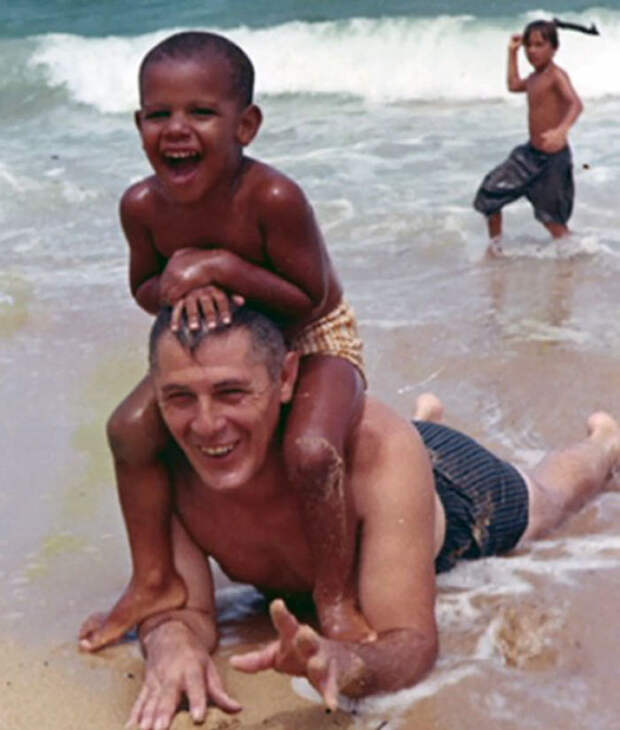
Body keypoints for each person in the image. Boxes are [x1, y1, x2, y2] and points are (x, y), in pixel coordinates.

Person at [124, 305, 619, 730]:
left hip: (453, 492)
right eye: (180, 397)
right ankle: (424, 418)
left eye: (232, 393)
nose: (206, 425)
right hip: (385, 468)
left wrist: (348, 662)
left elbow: (412, 642)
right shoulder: (163, 464)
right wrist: (170, 643)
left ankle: (602, 446)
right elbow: (181, 605)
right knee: (397, 447)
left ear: (287, 378)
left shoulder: (374, 452)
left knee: (547, 501)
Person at [79, 31, 369, 651]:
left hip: (314, 337)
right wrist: (181, 281)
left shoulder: (272, 196)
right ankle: (154, 577)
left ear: (247, 124)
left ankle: (335, 597)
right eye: (160, 114)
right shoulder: (141, 206)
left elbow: (309, 297)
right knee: (128, 429)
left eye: (202, 113)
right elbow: (144, 287)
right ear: (138, 124)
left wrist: (218, 267)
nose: (177, 129)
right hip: (219, 349)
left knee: (313, 450)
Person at [473, 19, 585, 253]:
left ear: (554, 48)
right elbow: (513, 85)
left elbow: (575, 104)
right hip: (529, 156)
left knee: (552, 221)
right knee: (490, 193)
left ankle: (576, 260)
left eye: (539, 45)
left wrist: (562, 130)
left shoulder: (556, 75)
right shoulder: (534, 78)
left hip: (553, 161)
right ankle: (496, 250)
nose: (532, 51)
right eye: (528, 46)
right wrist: (512, 53)